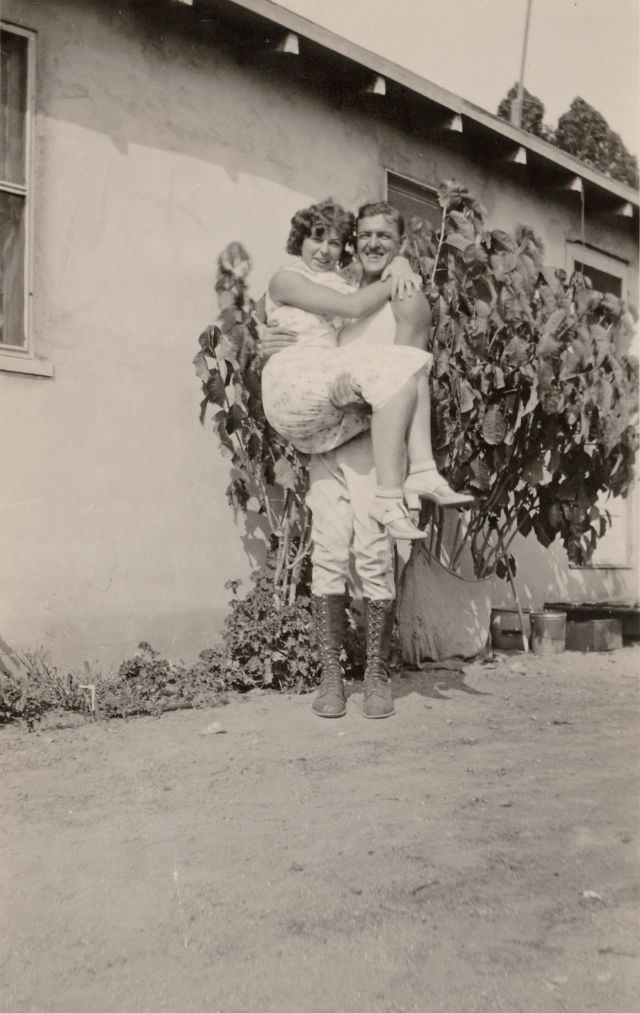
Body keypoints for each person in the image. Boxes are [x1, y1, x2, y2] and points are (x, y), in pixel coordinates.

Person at [259, 201, 468, 720]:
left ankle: (375, 673)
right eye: (365, 235)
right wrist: (268, 340)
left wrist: (405, 273)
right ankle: (331, 678)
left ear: (399, 245)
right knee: (328, 549)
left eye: (385, 237)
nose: (372, 244)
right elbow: (306, 326)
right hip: (327, 435)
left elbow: (409, 378)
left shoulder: (403, 295)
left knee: (372, 552)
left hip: (370, 442)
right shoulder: (343, 291)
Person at [261, 199, 473, 542]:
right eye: (317, 238)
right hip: (309, 395)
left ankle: (408, 481)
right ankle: (419, 473)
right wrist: (263, 336)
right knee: (330, 538)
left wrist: (400, 265)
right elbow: (346, 307)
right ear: (300, 239)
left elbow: (360, 306)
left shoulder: (368, 288)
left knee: (367, 545)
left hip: (356, 417)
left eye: (334, 242)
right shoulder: (302, 280)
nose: (325, 250)